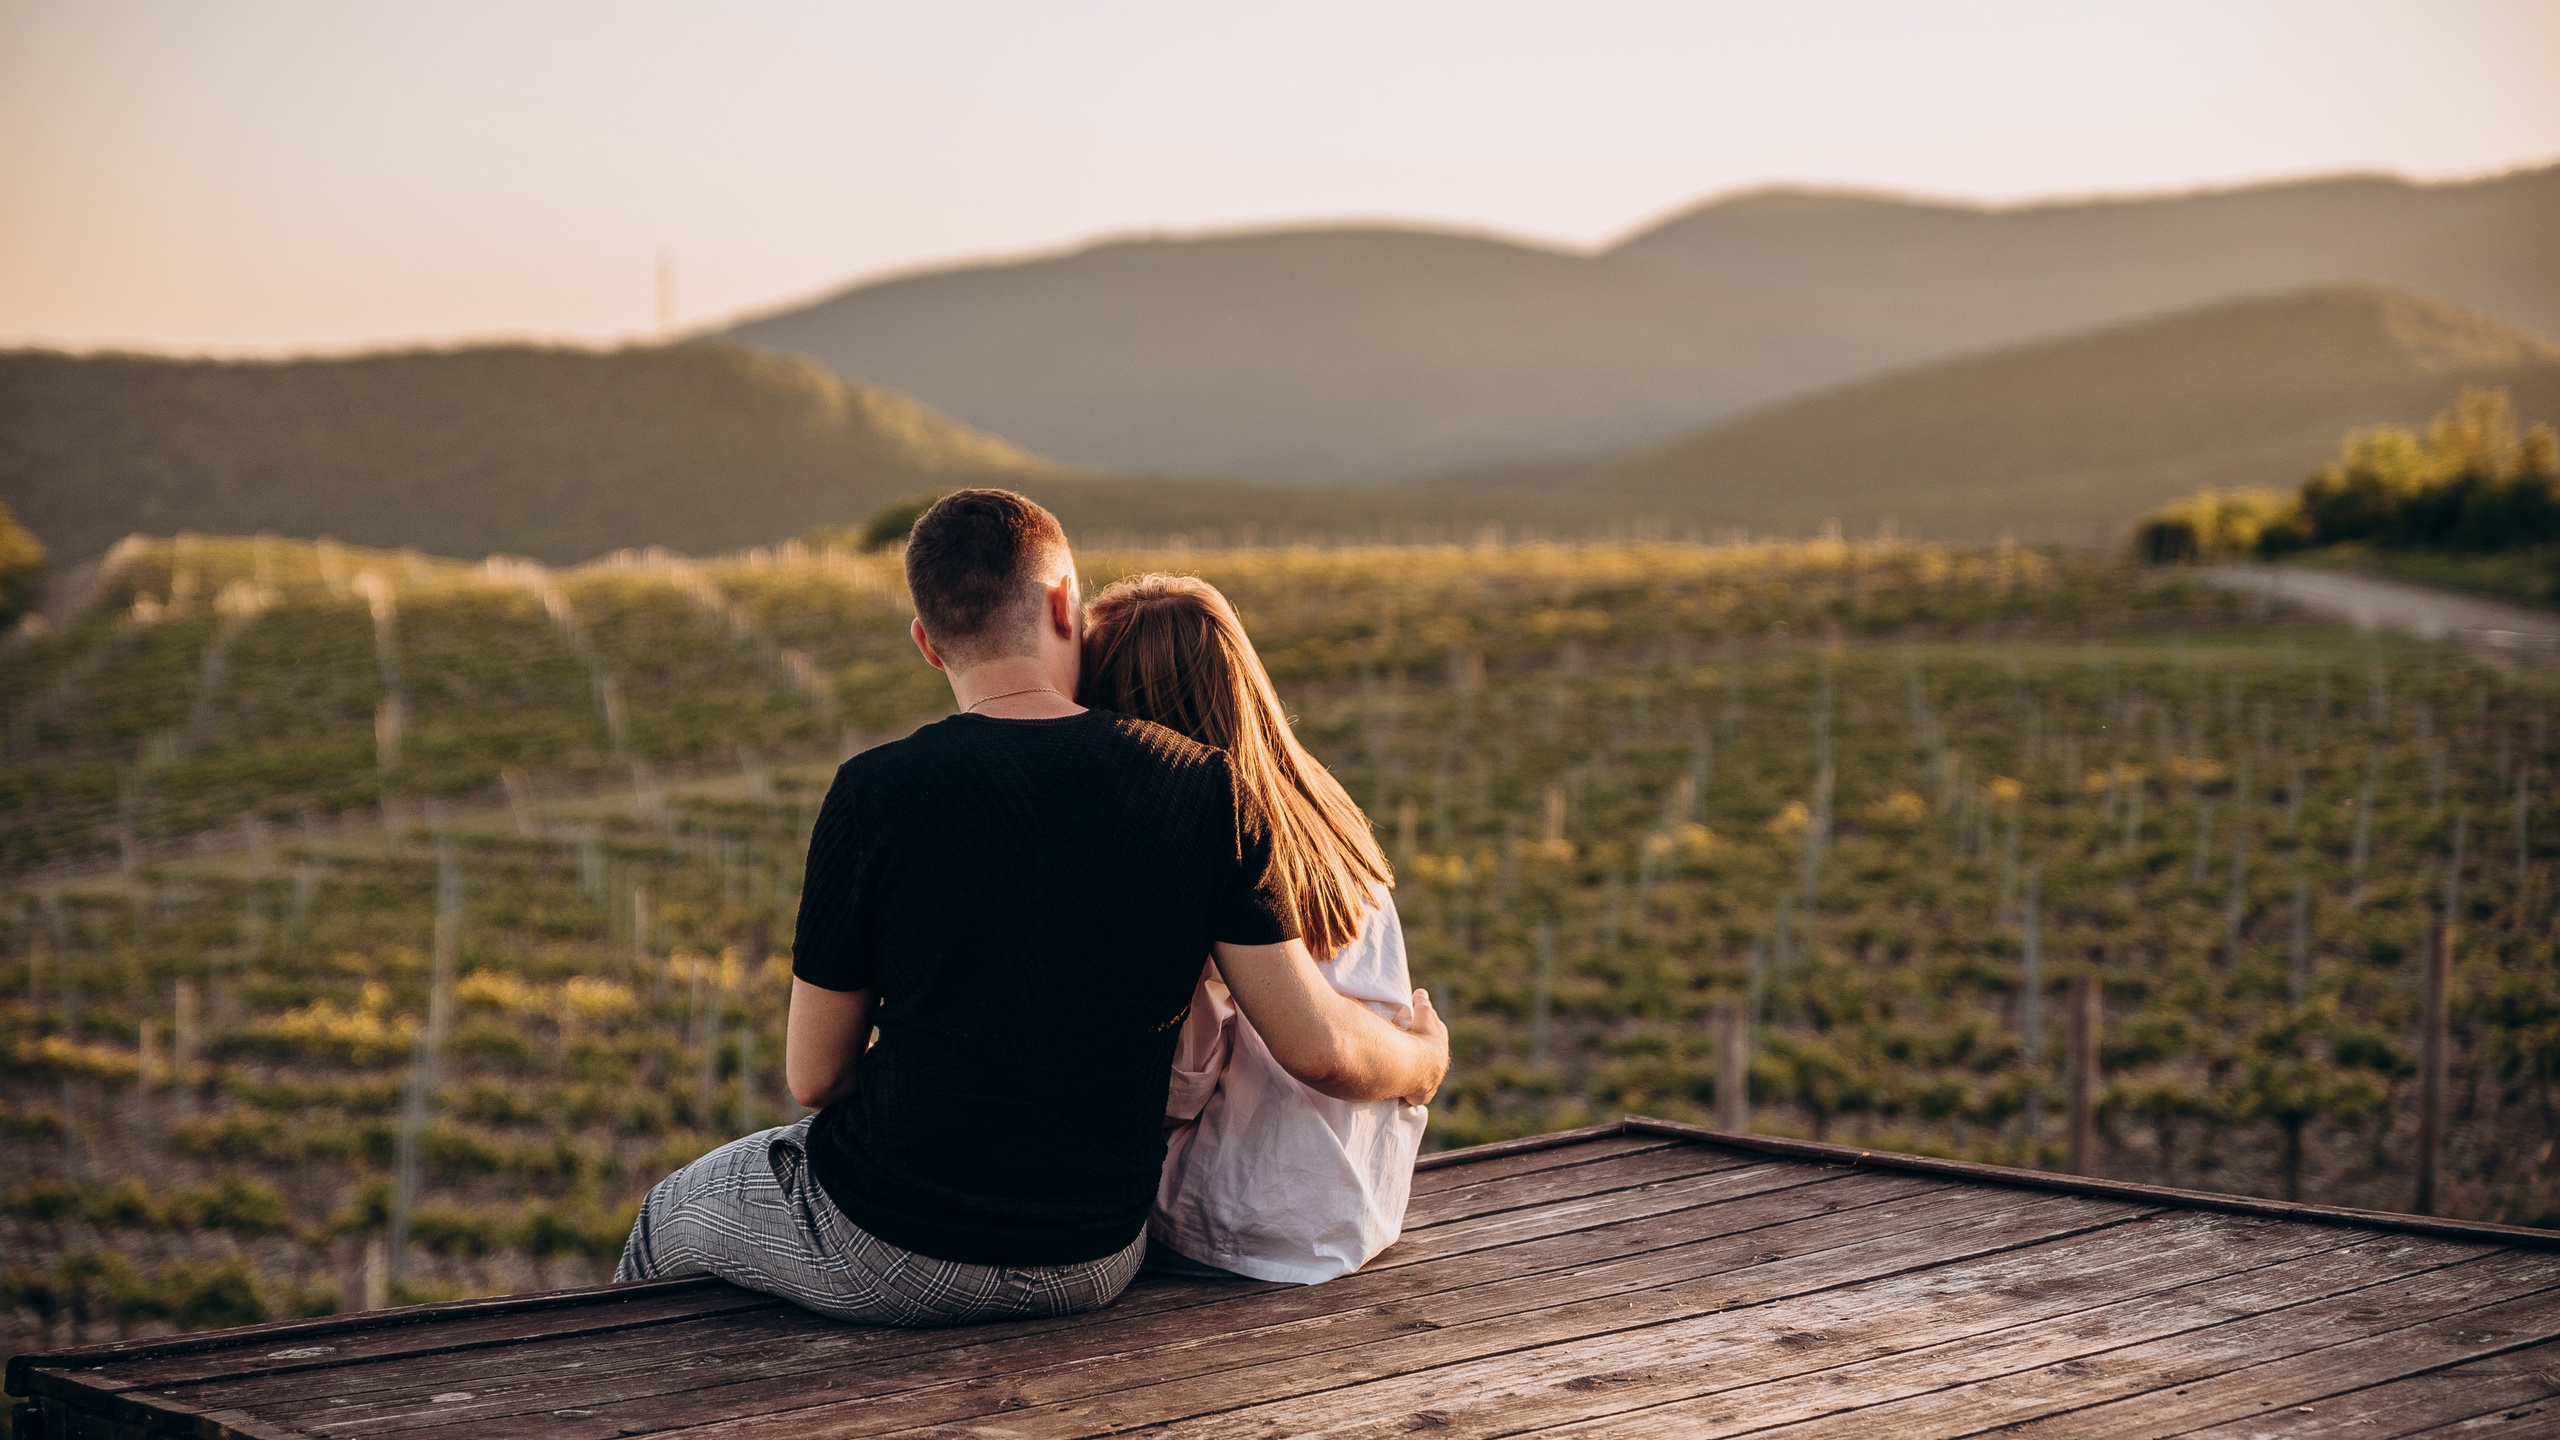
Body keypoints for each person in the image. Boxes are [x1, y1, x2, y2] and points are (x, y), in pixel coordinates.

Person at [613, 490, 1448, 1326]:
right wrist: (1420, 1061)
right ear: (1064, 602)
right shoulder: (1204, 787)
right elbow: (1314, 1043)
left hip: (892, 1243)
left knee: (666, 1216)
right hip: (1098, 1254)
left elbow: (814, 1076)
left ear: (927, 645)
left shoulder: (871, 794)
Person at [1080, 574, 1429, 1284]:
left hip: (1227, 1225)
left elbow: (1179, 1086)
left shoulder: (1190, 846)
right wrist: (1422, 1059)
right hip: (1356, 1209)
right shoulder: (1327, 817)